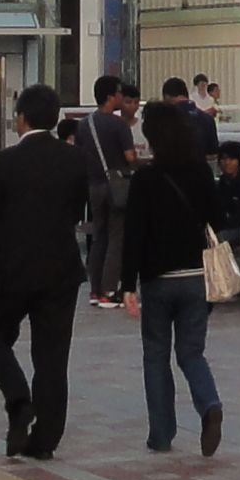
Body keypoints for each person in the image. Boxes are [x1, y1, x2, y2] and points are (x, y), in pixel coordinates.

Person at [0, 84, 93, 458]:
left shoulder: (2, 163)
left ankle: (18, 400)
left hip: (12, 269)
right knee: (52, 356)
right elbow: (77, 211)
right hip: (61, 269)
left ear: (21, 118)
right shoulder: (75, 160)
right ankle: (46, 440)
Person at [120, 100, 228, 456]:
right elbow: (216, 216)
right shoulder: (200, 173)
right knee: (191, 352)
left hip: (158, 278)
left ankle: (162, 434)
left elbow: (133, 234)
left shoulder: (145, 179)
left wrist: (126, 285)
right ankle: (209, 403)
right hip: (198, 275)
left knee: (155, 354)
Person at [80, 77, 138, 308]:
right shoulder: (118, 125)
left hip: (94, 186)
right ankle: (110, 289)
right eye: (118, 94)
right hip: (117, 186)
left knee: (98, 237)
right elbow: (130, 158)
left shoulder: (85, 124)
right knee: (116, 238)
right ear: (110, 96)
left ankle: (95, 290)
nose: (121, 98)